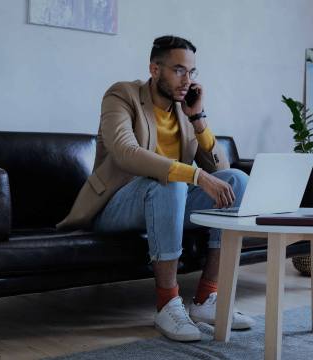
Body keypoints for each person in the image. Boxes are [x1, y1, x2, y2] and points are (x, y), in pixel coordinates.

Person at [57, 35, 254, 342]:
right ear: (154, 69)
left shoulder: (185, 109)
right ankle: (167, 304)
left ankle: (206, 299)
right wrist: (196, 176)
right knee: (171, 183)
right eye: (178, 70)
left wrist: (199, 119)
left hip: (167, 200)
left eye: (191, 72)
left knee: (237, 181)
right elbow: (125, 151)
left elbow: (221, 169)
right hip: (116, 204)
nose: (187, 80)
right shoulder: (121, 95)